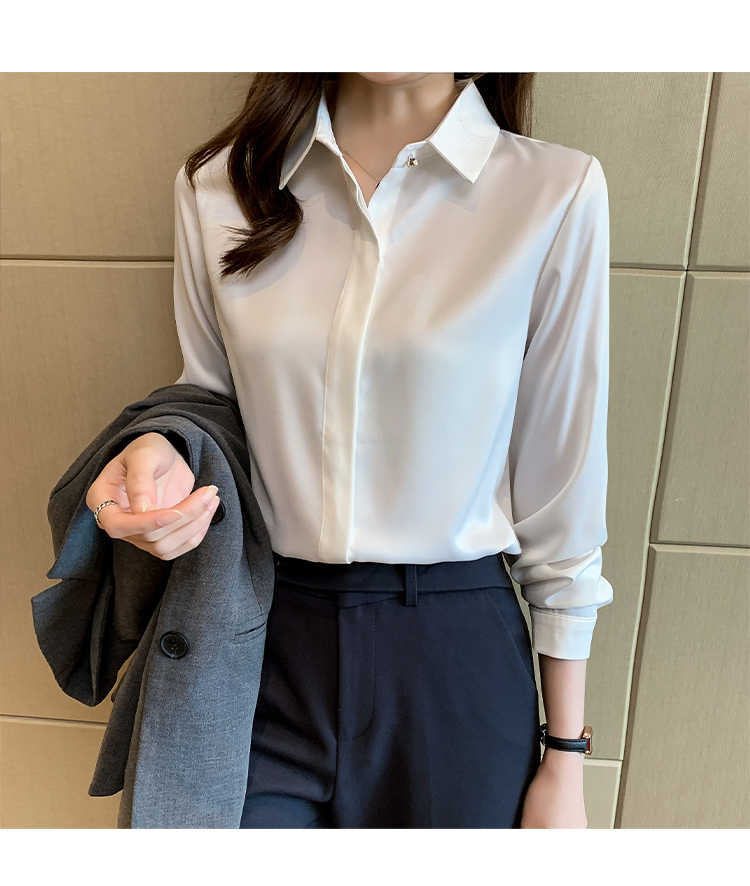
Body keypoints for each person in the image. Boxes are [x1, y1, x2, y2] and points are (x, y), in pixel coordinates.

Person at [85, 72, 614, 828]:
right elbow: (210, 399)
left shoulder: (553, 192)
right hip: (258, 640)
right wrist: (159, 447)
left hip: (450, 658)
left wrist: (564, 755)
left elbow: (562, 489)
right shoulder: (220, 186)